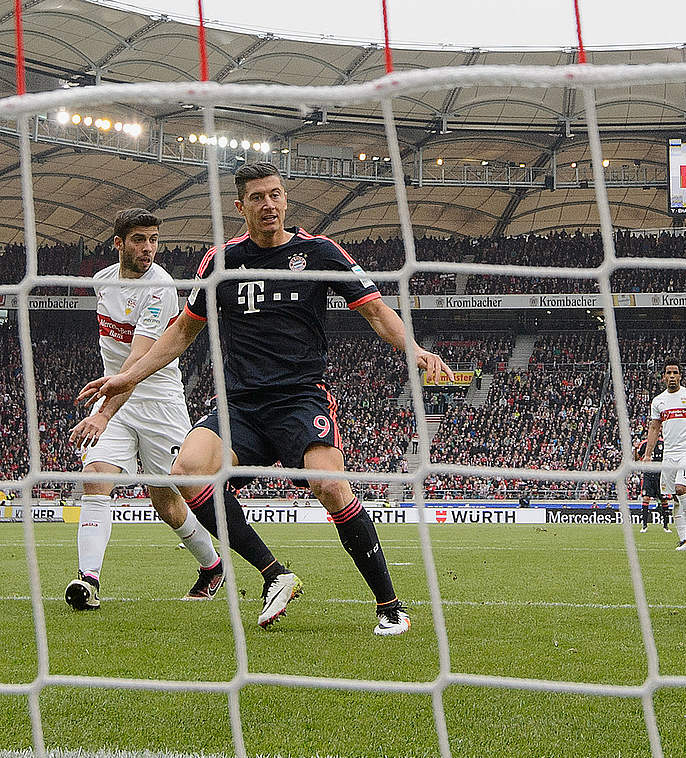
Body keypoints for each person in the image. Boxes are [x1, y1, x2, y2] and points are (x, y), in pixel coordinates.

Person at [79, 162, 453, 636]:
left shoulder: (319, 252)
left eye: (275, 195)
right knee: (187, 472)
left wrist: (414, 349)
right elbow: (181, 333)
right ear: (241, 206)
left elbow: (376, 311)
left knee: (332, 487)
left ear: (285, 200)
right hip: (240, 404)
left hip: (300, 398)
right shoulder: (221, 261)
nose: (268, 204)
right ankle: (275, 573)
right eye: (257, 197)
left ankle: (390, 605)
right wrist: (124, 378)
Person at [63, 209, 223, 610]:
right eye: (139, 239)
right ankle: (89, 581)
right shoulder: (102, 282)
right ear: (118, 243)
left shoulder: (161, 286)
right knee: (96, 477)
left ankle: (212, 565)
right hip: (115, 399)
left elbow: (137, 361)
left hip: (158, 402)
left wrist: (102, 413)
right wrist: (106, 407)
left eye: (153, 239)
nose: (148, 247)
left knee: (167, 500)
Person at [642, 359, 686, 551]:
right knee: (673, 496)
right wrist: (648, 455)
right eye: (668, 373)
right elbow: (654, 427)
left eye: (675, 372)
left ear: (680, 375)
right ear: (664, 376)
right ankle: (683, 540)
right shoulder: (658, 401)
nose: (672, 376)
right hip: (670, 454)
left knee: (681, 489)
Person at [636, 436, 670, 533]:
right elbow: (636, 458)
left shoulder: (664, 443)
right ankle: (644, 525)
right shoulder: (644, 443)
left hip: (660, 474)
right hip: (648, 474)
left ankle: (666, 526)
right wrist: (635, 448)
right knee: (646, 498)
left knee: (664, 499)